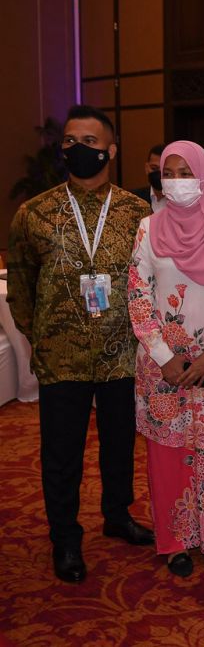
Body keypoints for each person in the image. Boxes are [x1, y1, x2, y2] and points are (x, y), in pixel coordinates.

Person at [7, 104, 154, 583]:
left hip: (122, 355)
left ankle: (116, 515)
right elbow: (22, 285)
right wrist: (40, 335)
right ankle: (65, 538)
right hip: (62, 357)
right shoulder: (34, 213)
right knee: (61, 453)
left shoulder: (137, 212)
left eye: (88, 142)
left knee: (118, 446)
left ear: (110, 151)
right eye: (69, 140)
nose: (76, 149)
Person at [127, 140, 204, 578]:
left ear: (203, 175)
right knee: (168, 454)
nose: (175, 180)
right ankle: (175, 541)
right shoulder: (147, 229)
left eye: (184, 171)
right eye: (168, 171)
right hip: (163, 366)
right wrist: (162, 355)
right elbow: (138, 295)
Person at [131, 143, 166, 212]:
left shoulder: (180, 202)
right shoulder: (133, 198)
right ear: (146, 168)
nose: (159, 174)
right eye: (154, 168)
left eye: (164, 171)